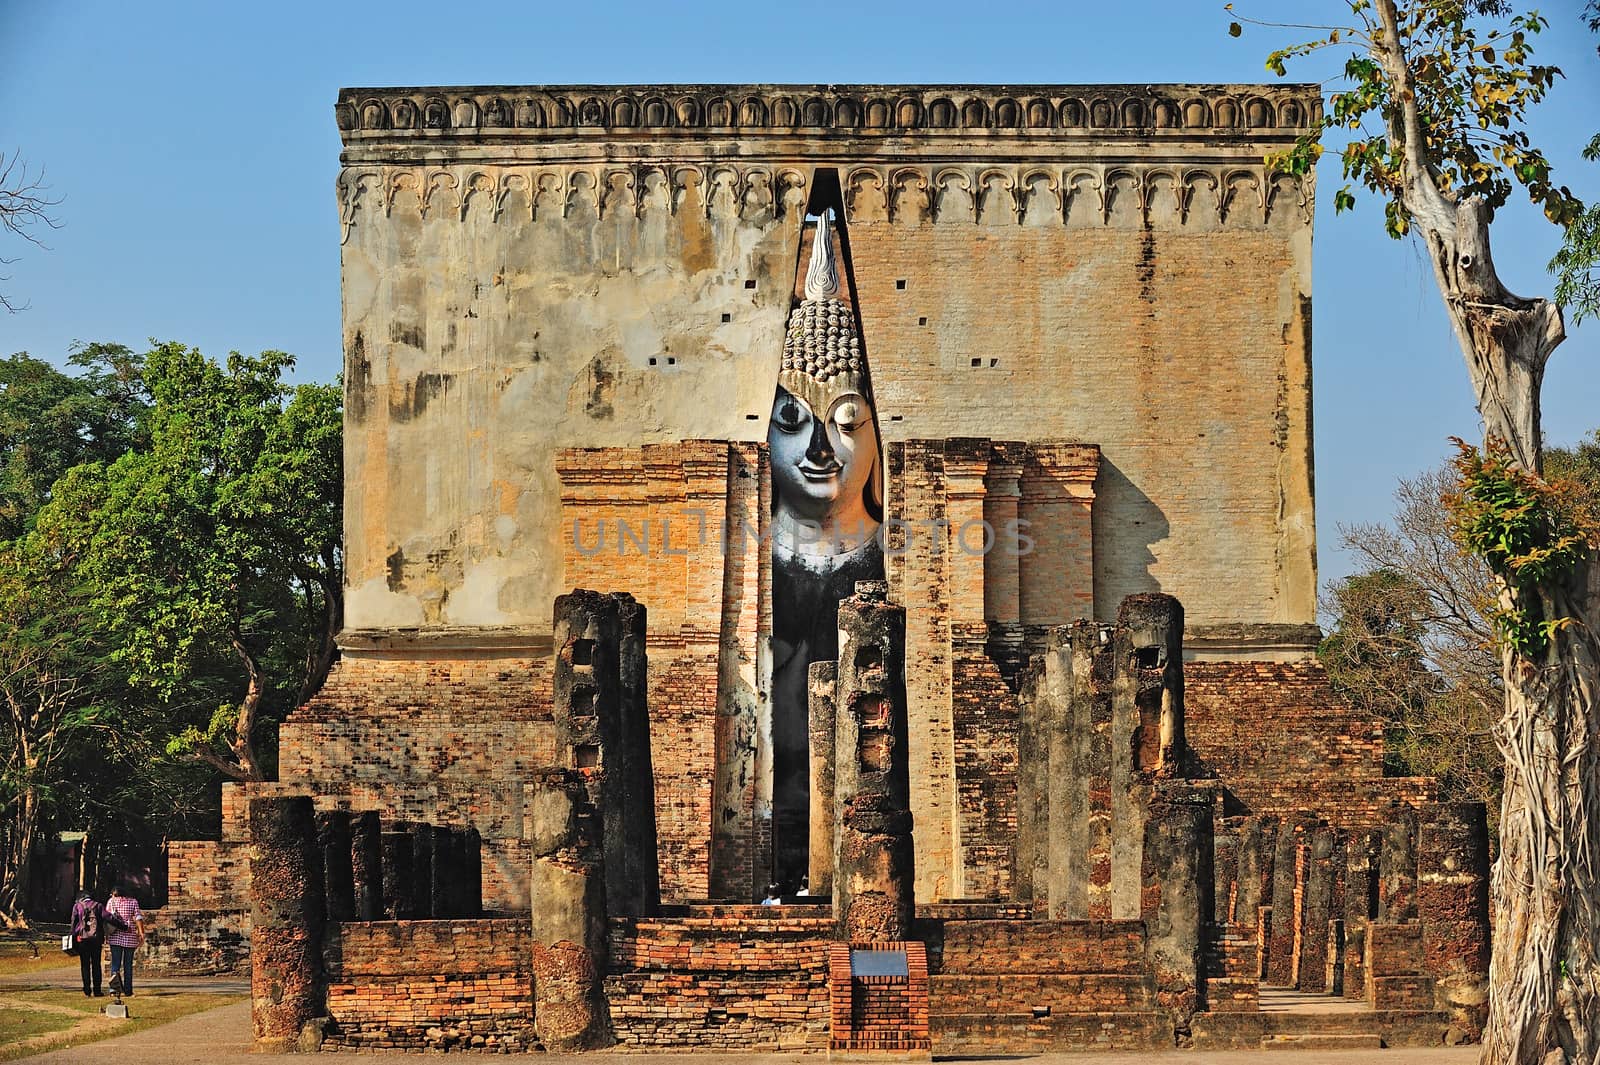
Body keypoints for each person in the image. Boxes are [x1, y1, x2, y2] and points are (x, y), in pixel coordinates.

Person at [68, 889, 116, 996]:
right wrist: (122, 926)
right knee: (96, 964)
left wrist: (72, 936)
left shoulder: (77, 906)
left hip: (82, 939)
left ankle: (87, 990)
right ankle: (97, 990)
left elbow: (73, 922)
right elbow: (108, 917)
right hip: (96, 939)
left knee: (84, 965)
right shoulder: (98, 905)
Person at [104, 883, 145, 996]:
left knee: (115, 964)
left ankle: (114, 990)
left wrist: (106, 935)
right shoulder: (133, 902)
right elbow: (138, 917)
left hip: (115, 936)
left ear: (114, 894)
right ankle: (128, 990)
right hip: (130, 936)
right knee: (128, 965)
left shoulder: (111, 902)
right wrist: (141, 933)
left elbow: (107, 918)